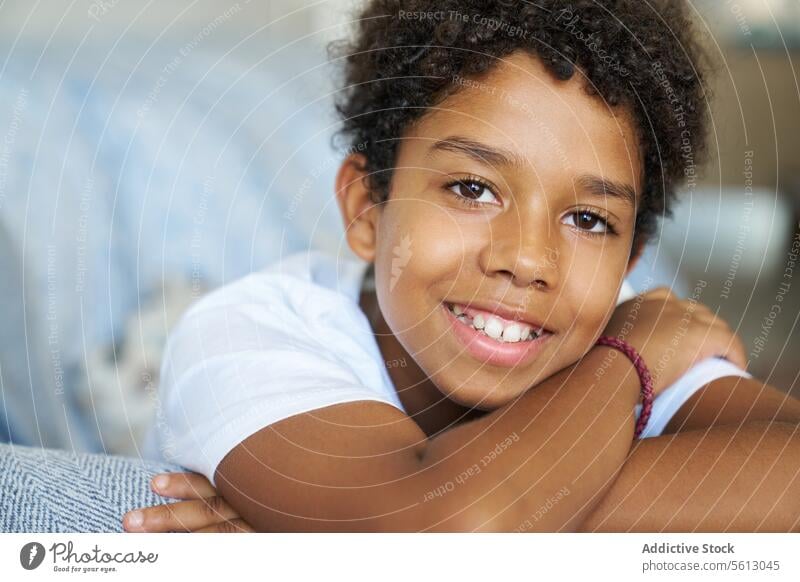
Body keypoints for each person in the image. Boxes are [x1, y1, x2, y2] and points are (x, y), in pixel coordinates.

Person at [124, 0, 800, 532]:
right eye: (472, 189)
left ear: (633, 261)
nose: (527, 260)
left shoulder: (597, 325)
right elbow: (453, 533)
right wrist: (629, 357)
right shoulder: (246, 334)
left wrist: (359, 534)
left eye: (589, 220)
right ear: (367, 208)